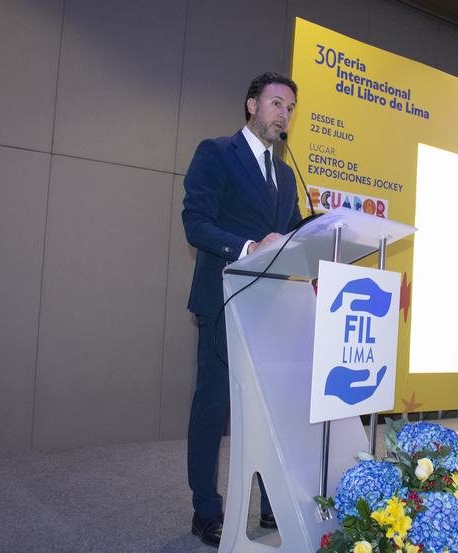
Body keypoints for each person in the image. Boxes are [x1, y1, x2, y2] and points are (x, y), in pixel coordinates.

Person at [182, 72, 302, 546]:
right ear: (252, 105)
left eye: (289, 108)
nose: (283, 114)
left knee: (269, 412)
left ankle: (271, 506)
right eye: (276, 103)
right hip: (223, 300)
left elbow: (292, 234)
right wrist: (249, 247)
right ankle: (206, 511)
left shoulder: (286, 175)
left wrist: (321, 231)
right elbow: (196, 224)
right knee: (213, 408)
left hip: (269, 307)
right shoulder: (216, 153)